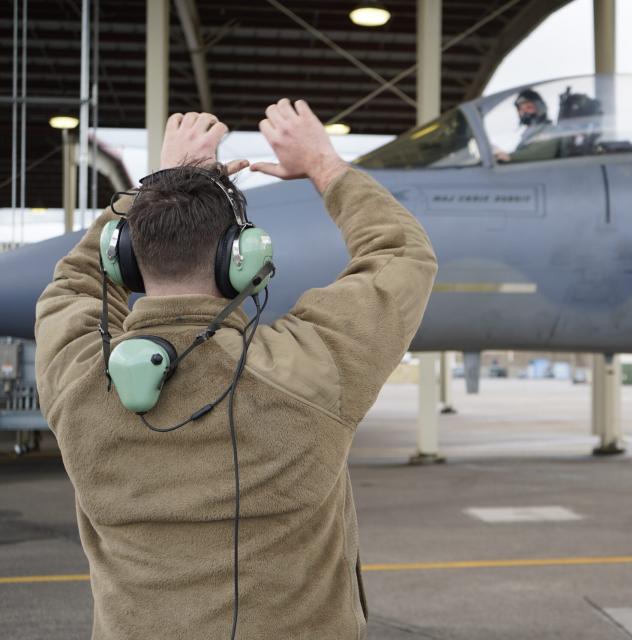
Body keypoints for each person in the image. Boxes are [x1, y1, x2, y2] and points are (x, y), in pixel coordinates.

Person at [33, 99, 437, 638]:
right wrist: (323, 165)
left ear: (124, 256)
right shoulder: (307, 369)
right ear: (240, 260)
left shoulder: (78, 380)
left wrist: (159, 183)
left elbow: (72, 285)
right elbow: (401, 256)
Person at [495, 88, 561, 163]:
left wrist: (510, 157)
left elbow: (540, 153)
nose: (524, 112)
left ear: (540, 108)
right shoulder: (530, 133)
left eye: (529, 107)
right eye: (521, 109)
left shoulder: (549, 130)